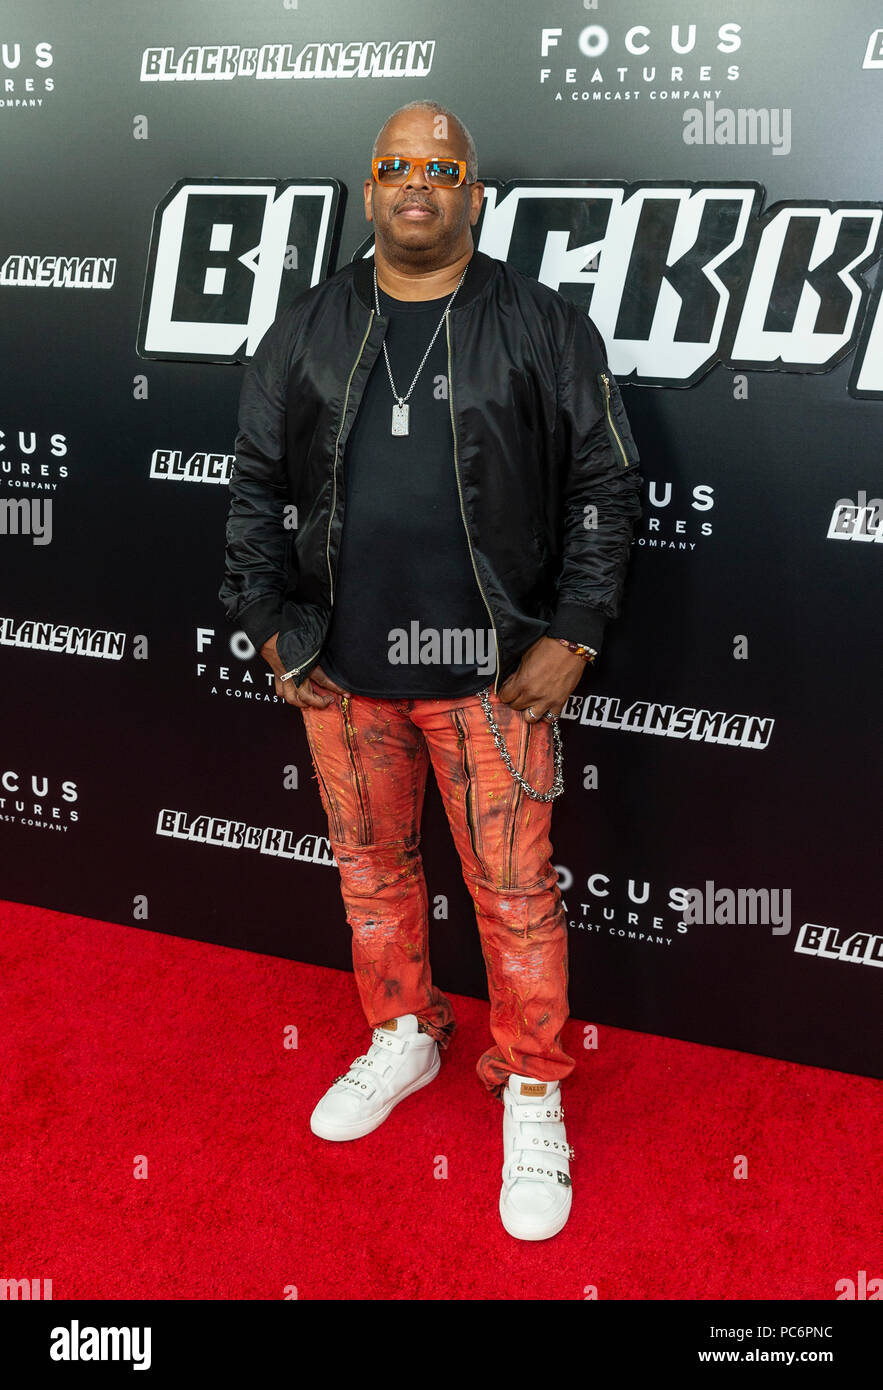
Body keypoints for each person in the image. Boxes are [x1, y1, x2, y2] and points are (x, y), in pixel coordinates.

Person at [220, 100, 643, 1241]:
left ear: (473, 193)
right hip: (344, 680)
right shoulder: (306, 326)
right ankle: (405, 1036)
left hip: (492, 685)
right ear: (369, 189)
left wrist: (578, 628)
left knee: (514, 899)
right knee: (370, 874)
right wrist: (270, 625)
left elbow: (606, 486)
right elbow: (253, 488)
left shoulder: (543, 325)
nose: (419, 182)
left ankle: (535, 1083)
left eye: (442, 167)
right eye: (396, 165)